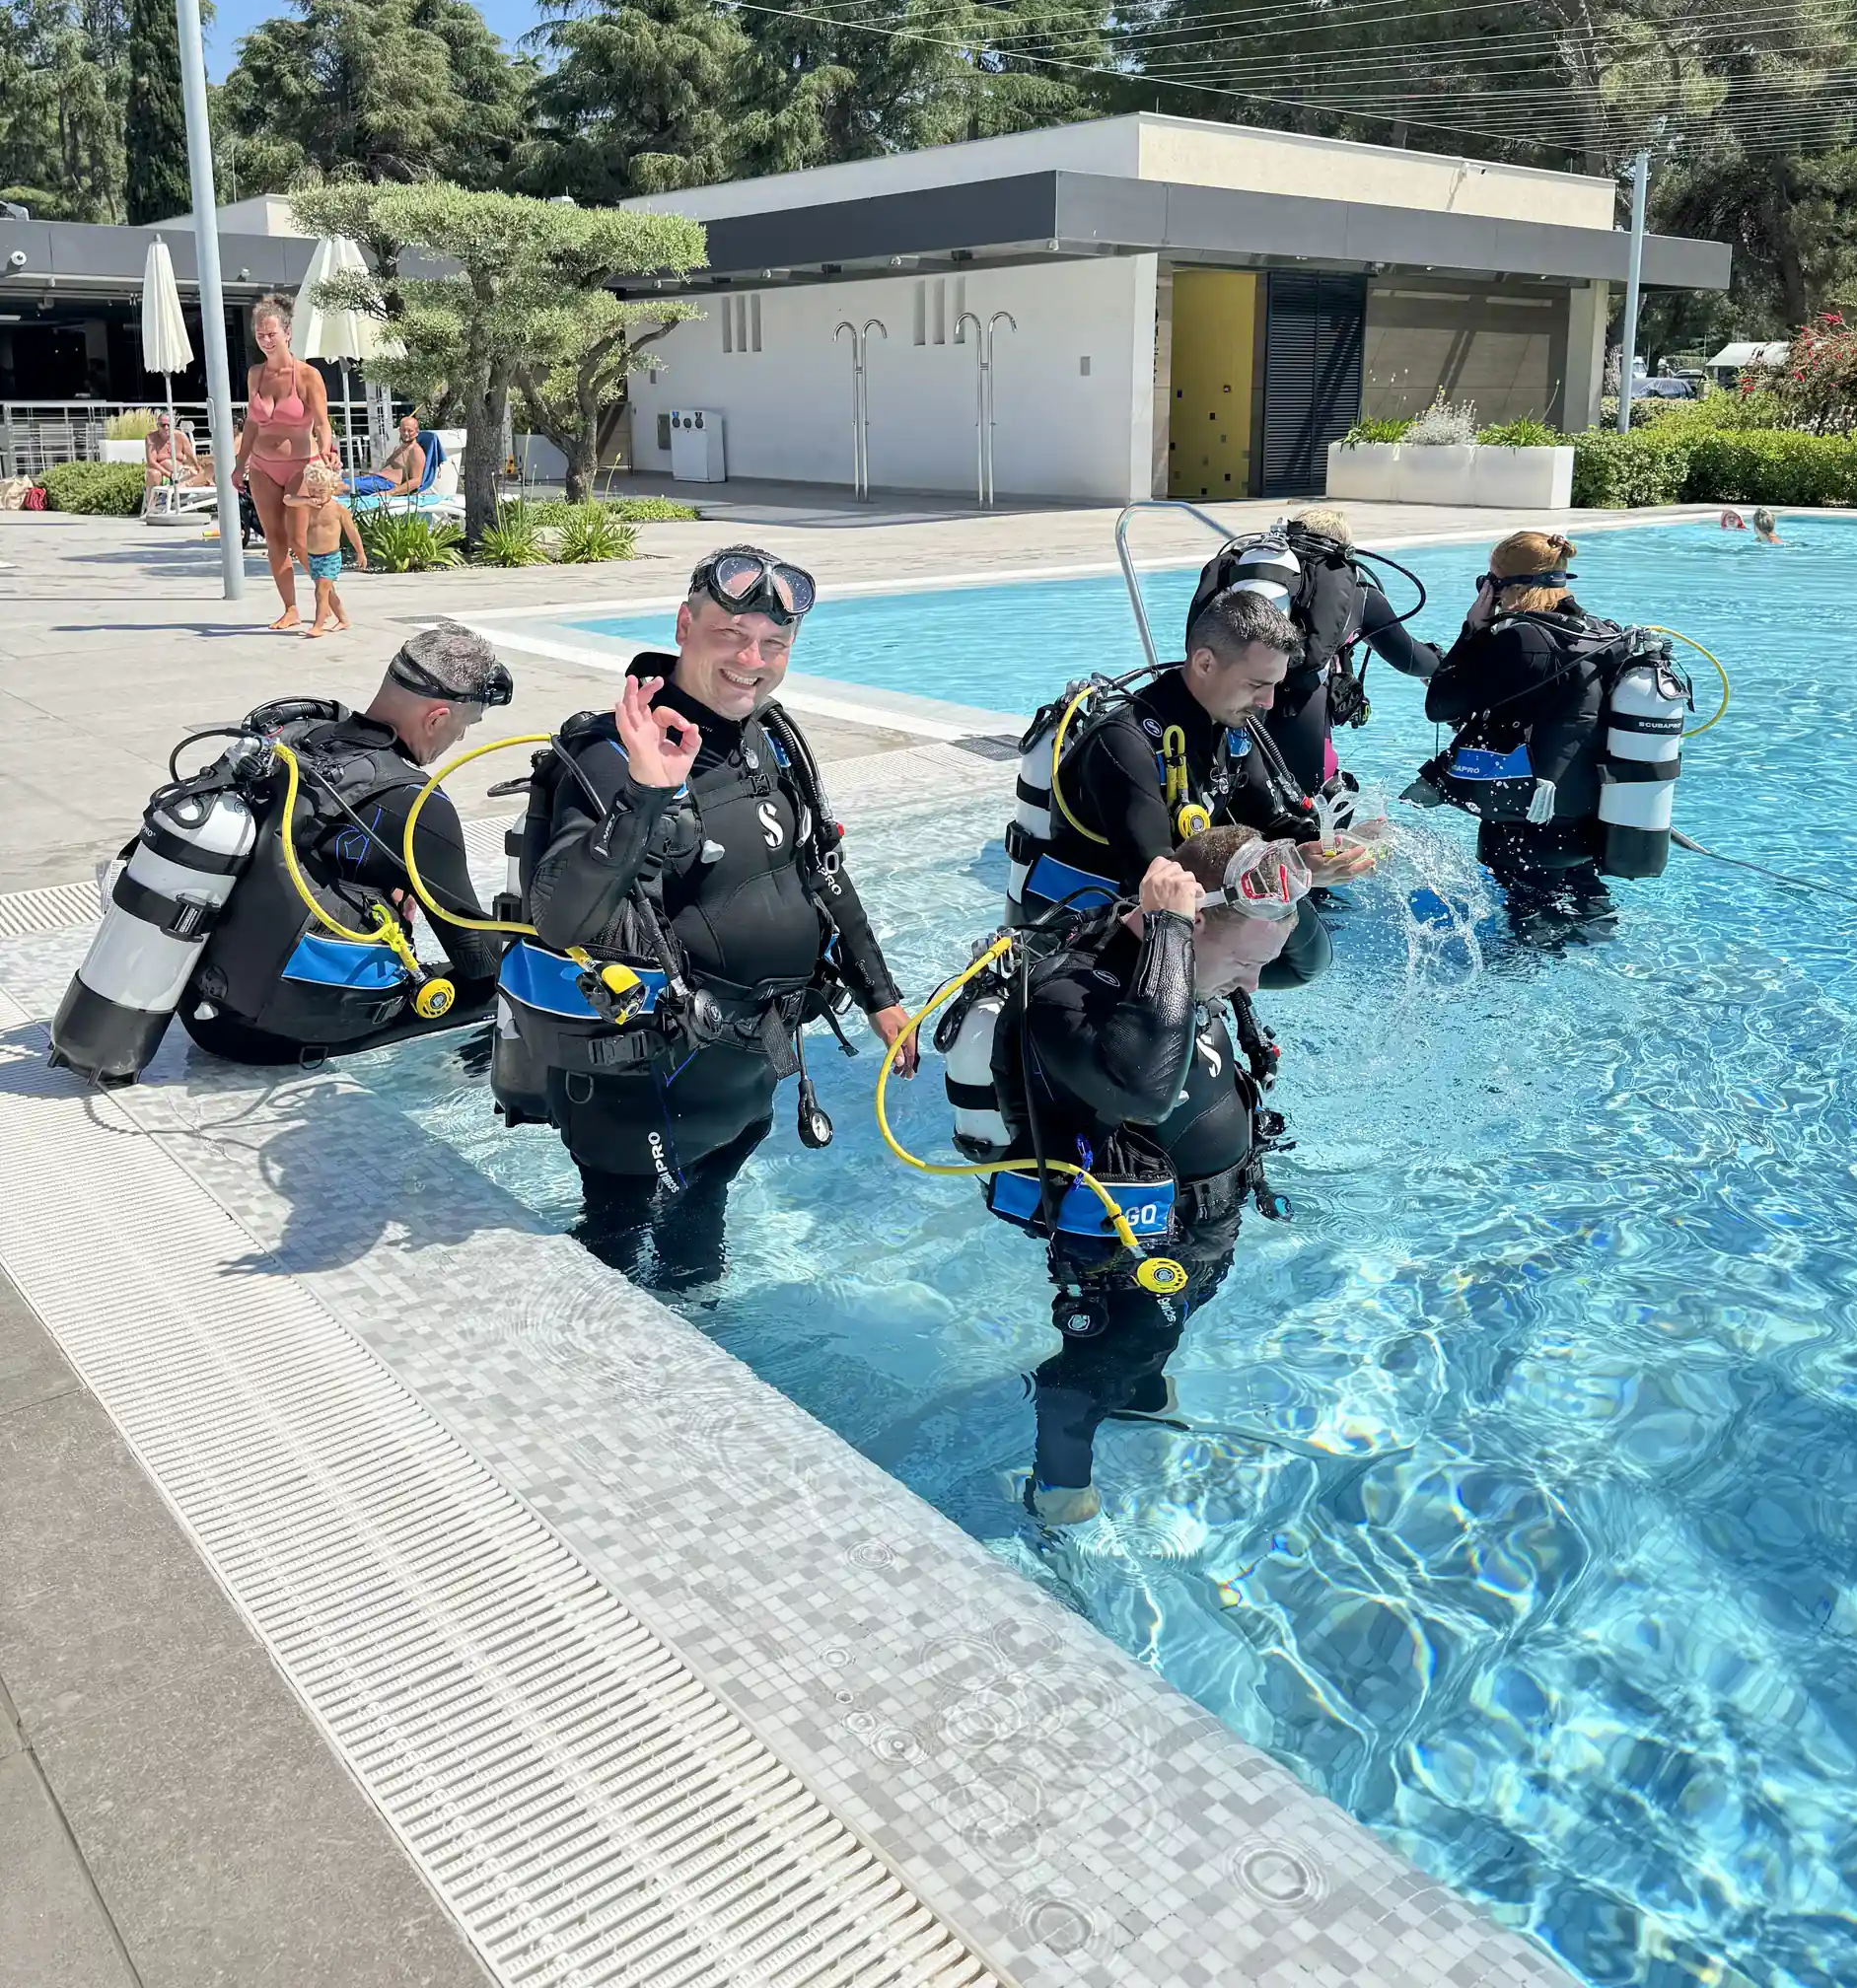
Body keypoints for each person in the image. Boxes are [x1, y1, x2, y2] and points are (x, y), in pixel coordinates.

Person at [516, 545, 911, 1290]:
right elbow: (558, 920)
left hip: (746, 1063)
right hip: (645, 1081)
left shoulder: (771, 737)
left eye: (774, 644)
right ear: (684, 625)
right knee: (616, 1245)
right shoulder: (610, 753)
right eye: (730, 633)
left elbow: (822, 870)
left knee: (701, 1228)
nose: (750, 660)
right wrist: (643, 796)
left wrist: (881, 997)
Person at [950, 822, 1306, 1526]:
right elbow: (1142, 1086)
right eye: (1243, 962)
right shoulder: (1069, 995)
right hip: (1128, 1246)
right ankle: (1059, 1491)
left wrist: (1307, 879)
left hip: (1199, 1221)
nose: (1256, 983)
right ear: (1187, 925)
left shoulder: (1199, 965)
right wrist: (1173, 929)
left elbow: (1308, 964)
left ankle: (1138, 1389)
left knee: (1157, 1334)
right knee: (1102, 1358)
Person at [1010, 589, 1375, 987]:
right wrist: (1282, 874)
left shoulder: (1229, 726)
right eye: (1257, 684)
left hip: (1173, 903)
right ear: (1204, 663)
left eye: (1275, 685)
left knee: (1306, 952)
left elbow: (1266, 820)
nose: (1269, 701)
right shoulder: (1124, 743)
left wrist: (1328, 846)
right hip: (1094, 923)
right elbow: (1157, 883)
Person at [183, 624, 513, 1064]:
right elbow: (479, 959)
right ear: (436, 718)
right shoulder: (415, 805)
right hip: (268, 1034)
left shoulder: (296, 735)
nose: (462, 738)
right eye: (466, 724)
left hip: (199, 1004)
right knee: (505, 994)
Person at [1420, 530, 1621, 950]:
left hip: (1522, 822)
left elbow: (1440, 704)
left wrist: (1472, 630)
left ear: (1504, 586)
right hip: (1585, 816)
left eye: (1487, 580)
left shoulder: (1519, 639)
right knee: (1590, 917)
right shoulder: (1598, 632)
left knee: (1526, 927)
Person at [1261, 508, 1442, 799]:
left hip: (1237, 714)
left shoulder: (1254, 583)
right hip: (1302, 720)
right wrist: (1439, 662)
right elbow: (1411, 659)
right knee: (1327, 805)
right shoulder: (1358, 596)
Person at [231, 295, 333, 631]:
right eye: (260, 334)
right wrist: (239, 463)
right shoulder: (255, 374)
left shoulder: (307, 376)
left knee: (299, 541)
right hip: (262, 466)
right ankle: (291, 608)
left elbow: (322, 423)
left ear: (287, 333)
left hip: (301, 464)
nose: (265, 339)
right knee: (274, 541)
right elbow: (251, 423)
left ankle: (330, 603)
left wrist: (328, 450)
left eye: (271, 333)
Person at [293, 461, 368, 635]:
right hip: (313, 557)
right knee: (329, 592)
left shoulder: (338, 510)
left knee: (321, 592)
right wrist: (306, 499)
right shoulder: (309, 506)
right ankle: (343, 619)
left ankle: (317, 627)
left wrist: (360, 553)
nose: (316, 495)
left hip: (330, 557)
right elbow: (287, 500)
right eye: (312, 490)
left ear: (331, 489)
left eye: (321, 491)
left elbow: (352, 533)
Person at [351, 414, 427, 499]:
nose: (406, 433)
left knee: (341, 488)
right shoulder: (398, 448)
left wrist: (390, 493)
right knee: (338, 483)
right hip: (374, 479)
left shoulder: (415, 451)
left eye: (410, 431)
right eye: (403, 430)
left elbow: (416, 481)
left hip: (386, 484)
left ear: (417, 432)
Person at [144, 412, 209, 490]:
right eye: (162, 425)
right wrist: (169, 475)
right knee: (154, 474)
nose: (166, 427)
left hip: (181, 473)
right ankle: (152, 501)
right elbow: (151, 462)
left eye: (169, 425)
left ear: (173, 425)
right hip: (163, 472)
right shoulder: (151, 438)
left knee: (208, 470)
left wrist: (198, 468)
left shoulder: (180, 436)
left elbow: (191, 457)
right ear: (158, 426)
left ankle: (186, 485)